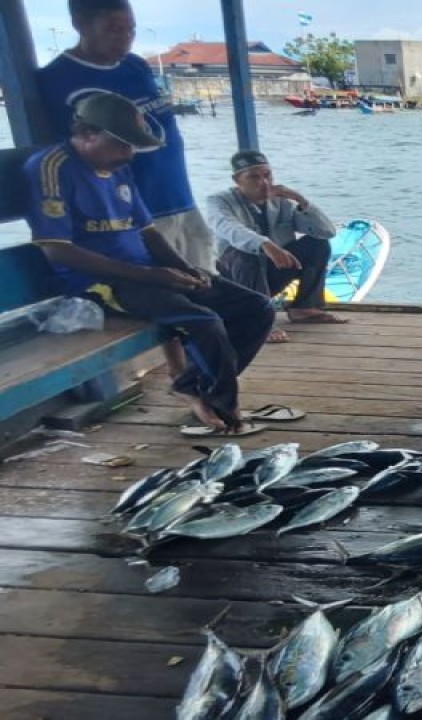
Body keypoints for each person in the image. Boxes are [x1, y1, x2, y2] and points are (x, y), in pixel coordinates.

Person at [23, 92, 276, 437]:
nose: (128, 154)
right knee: (205, 321)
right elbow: (57, 250)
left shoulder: (120, 169)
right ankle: (224, 407)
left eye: (132, 147)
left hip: (147, 273)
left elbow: (149, 233)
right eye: (121, 145)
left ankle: (193, 385)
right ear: (86, 134)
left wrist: (185, 269)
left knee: (256, 307)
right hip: (99, 283)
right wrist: (153, 275)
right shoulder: (51, 168)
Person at [40, 0, 216, 381]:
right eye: (113, 29)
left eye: (130, 29)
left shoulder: (136, 66)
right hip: (129, 204)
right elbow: (68, 153)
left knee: (201, 281)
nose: (124, 39)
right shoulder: (57, 79)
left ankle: (198, 377)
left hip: (177, 193)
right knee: (169, 295)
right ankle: (182, 377)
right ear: (79, 24)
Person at [207, 150, 343, 343]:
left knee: (317, 245)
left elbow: (326, 231)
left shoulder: (281, 202)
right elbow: (231, 229)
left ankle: (304, 308)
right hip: (234, 280)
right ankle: (257, 321)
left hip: (269, 274)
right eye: (254, 177)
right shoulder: (218, 202)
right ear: (237, 180)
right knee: (246, 251)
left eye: (267, 175)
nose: (264, 182)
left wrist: (301, 201)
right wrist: (265, 244)